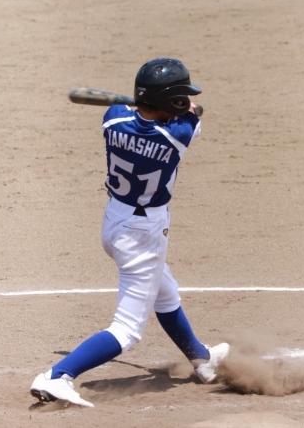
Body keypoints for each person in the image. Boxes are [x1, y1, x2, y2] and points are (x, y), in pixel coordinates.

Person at [30, 57, 229, 408]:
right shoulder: (178, 134)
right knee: (127, 330)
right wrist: (187, 109)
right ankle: (58, 375)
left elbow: (144, 113)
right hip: (143, 234)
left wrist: (160, 106)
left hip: (115, 221)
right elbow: (192, 114)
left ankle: (201, 358)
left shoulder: (113, 118)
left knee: (165, 293)